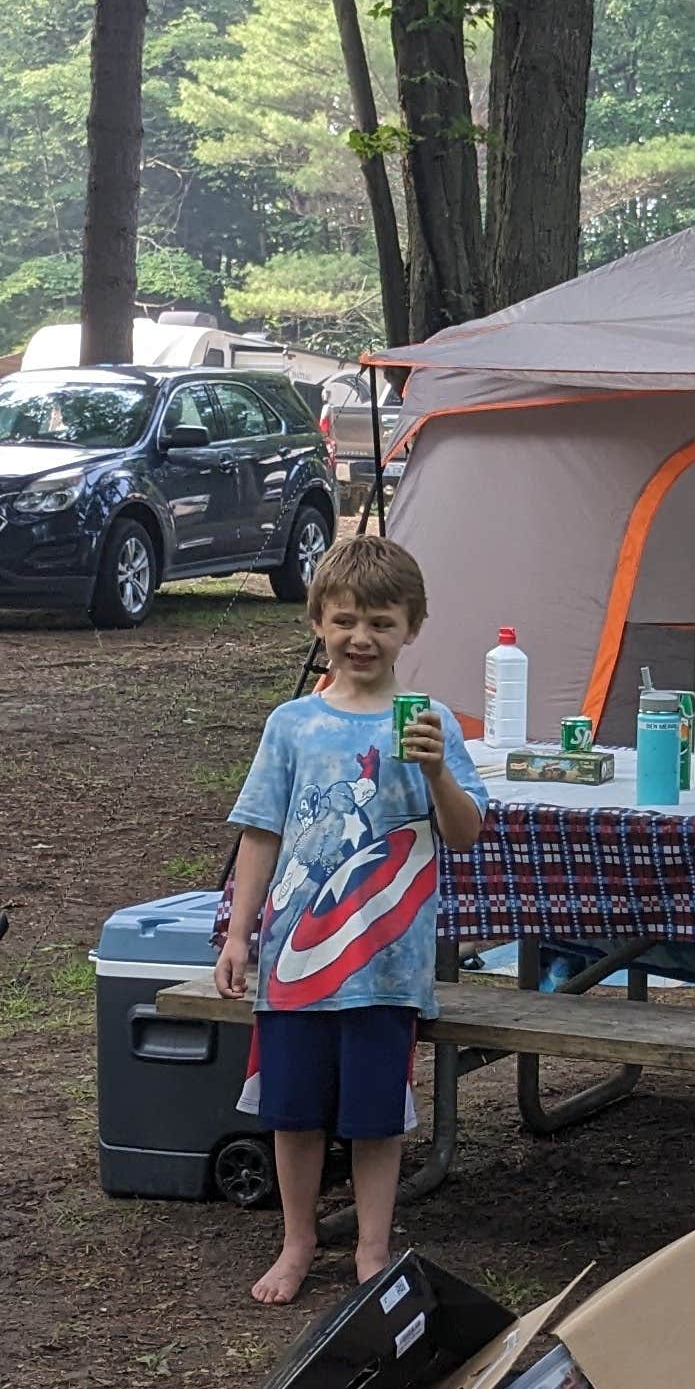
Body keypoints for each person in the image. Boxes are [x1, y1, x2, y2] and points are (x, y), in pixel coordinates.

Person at [212, 534, 490, 1306]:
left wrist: (436, 771)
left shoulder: (431, 721)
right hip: (294, 961)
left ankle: (372, 1250)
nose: (361, 638)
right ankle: (298, 1240)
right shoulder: (292, 724)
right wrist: (239, 935)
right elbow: (260, 831)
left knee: (375, 1118)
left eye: (380, 622)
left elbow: (464, 834)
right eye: (344, 622)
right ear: (317, 625)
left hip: (388, 963)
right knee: (294, 1112)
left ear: (412, 627)